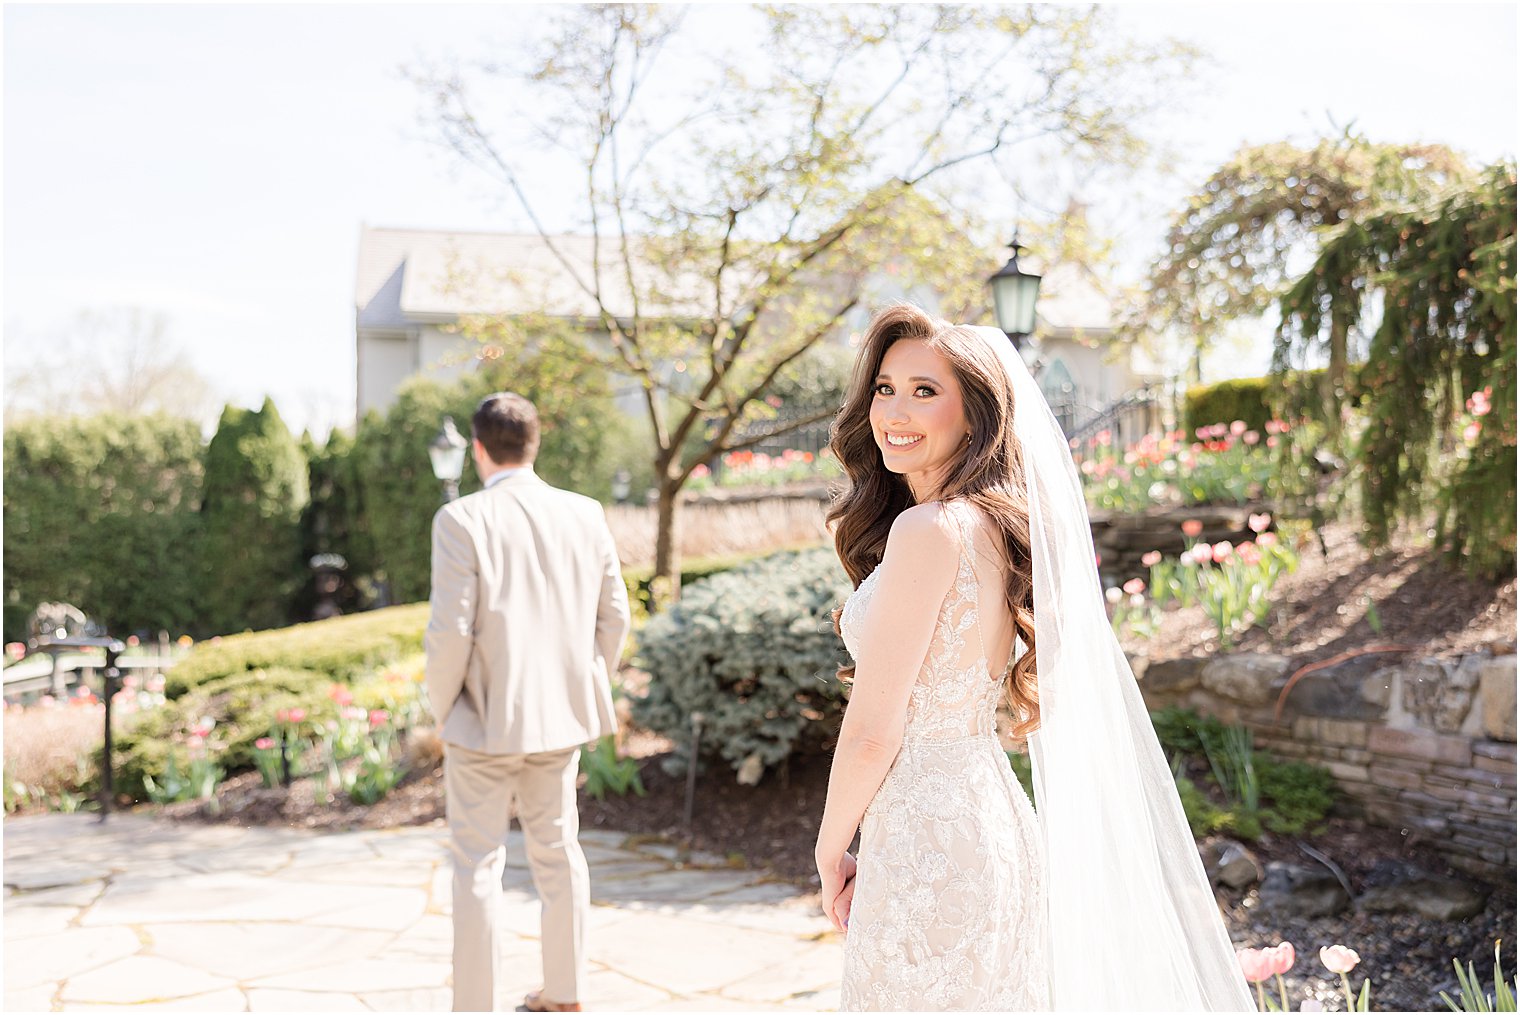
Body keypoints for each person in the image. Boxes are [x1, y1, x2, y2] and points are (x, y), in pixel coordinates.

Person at [816, 305, 1254, 1012]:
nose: (895, 410)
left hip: (929, 837)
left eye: (926, 390)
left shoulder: (928, 530)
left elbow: (873, 732)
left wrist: (829, 848)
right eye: (885, 387)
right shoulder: (994, 527)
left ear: (976, 414)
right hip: (990, 816)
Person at [426, 392, 631, 1014]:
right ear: (534, 445)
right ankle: (565, 994)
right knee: (559, 852)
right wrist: (586, 680)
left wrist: (443, 709)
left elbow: (449, 634)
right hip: (559, 721)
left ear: (479, 448)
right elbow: (615, 615)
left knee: (475, 865)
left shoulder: (461, 519)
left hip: (483, 721)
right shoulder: (585, 512)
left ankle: (474, 1006)